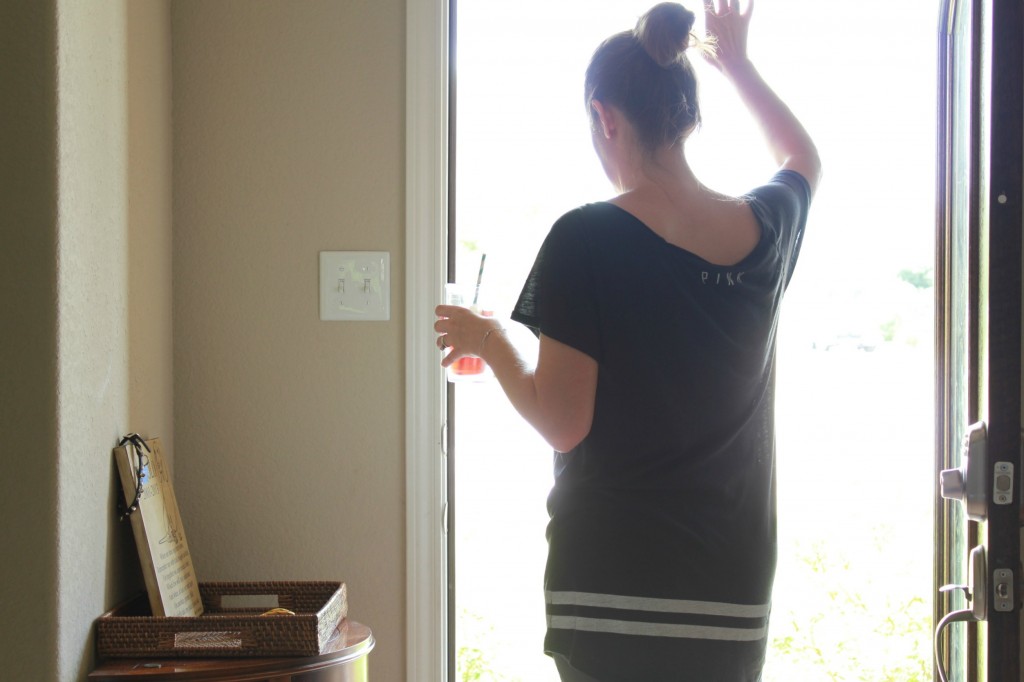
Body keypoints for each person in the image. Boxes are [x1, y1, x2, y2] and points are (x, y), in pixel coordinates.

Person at [435, 0, 819, 679]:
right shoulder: (766, 232)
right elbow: (802, 156)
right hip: (731, 588)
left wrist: (491, 338)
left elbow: (562, 421)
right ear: (689, 115)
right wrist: (739, 65)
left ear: (604, 117)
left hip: (610, 591)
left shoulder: (586, 237)